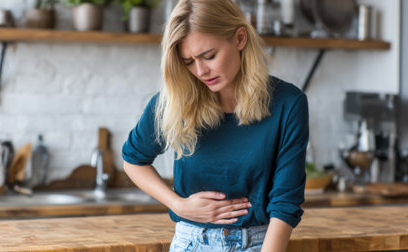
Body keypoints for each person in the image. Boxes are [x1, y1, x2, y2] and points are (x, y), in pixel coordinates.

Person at [122, 0, 309, 251]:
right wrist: (178, 205)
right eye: (188, 61)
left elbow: (286, 201)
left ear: (240, 38)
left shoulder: (288, 103)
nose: (200, 71)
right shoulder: (173, 102)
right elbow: (133, 160)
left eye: (208, 56)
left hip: (258, 243)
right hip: (190, 243)